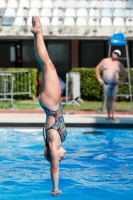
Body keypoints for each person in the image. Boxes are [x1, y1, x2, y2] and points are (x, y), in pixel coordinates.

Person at [31, 16, 67, 196]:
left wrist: (55, 188)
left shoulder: (53, 143)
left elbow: (54, 168)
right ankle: (37, 33)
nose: (62, 158)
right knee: (46, 65)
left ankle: (38, 32)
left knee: (48, 65)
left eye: (60, 159)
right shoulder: (56, 141)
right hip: (51, 104)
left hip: (51, 104)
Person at [95, 49, 127, 120]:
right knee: (108, 98)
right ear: (112, 53)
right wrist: (99, 78)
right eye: (115, 53)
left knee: (113, 99)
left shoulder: (119, 64)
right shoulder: (105, 61)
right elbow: (97, 68)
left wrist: (121, 81)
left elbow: (125, 72)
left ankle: (113, 115)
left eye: (118, 54)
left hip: (115, 84)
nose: (116, 55)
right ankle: (108, 115)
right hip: (106, 84)